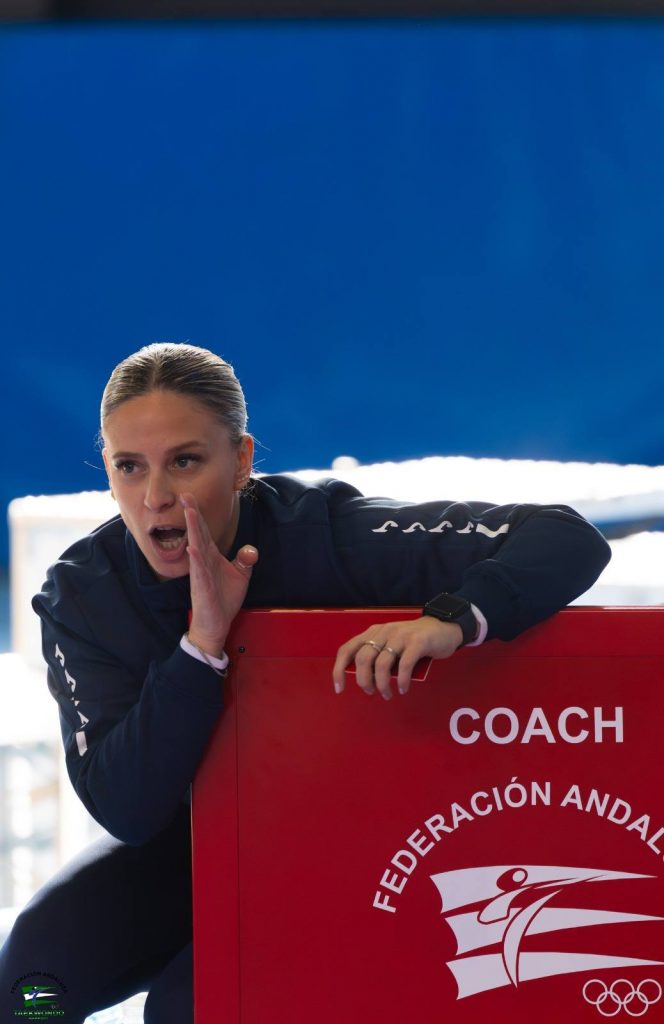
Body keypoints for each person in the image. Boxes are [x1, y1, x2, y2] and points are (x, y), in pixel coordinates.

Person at [0, 343, 611, 1023]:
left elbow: (564, 536)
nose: (156, 497)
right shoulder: (86, 594)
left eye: (186, 461)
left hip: (368, 849)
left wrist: (451, 620)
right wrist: (201, 647)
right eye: (129, 466)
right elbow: (127, 809)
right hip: (199, 844)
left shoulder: (326, 534)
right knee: (31, 983)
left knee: (189, 1008)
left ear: (241, 461)